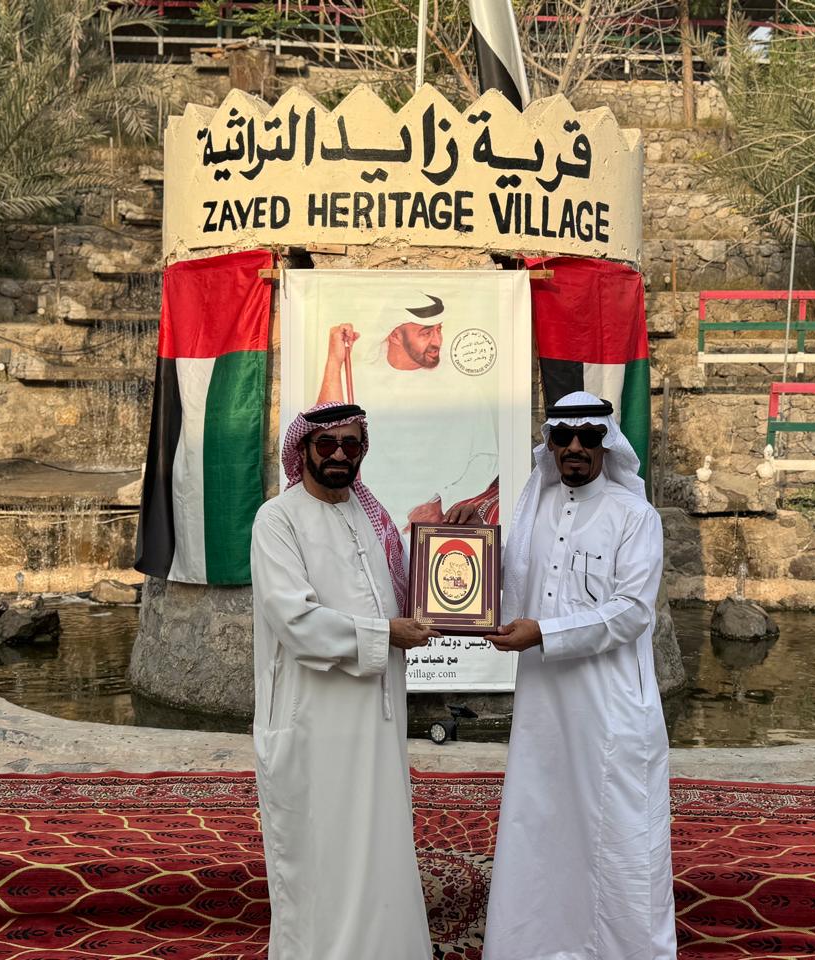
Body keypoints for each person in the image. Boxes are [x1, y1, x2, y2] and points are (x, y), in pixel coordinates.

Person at [482, 390, 677, 960]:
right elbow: (503, 584)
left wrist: (545, 633)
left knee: (615, 831)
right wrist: (462, 539)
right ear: (549, 444)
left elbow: (632, 612)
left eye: (588, 437)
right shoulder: (534, 509)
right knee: (541, 823)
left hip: (609, 707)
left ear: (606, 445)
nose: (574, 447)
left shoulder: (634, 516)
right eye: (562, 437)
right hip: (543, 704)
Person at [250, 401, 437, 960]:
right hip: (314, 724)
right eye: (326, 444)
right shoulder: (277, 520)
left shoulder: (369, 518)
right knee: (322, 856)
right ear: (303, 449)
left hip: (376, 723)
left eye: (350, 445)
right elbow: (297, 623)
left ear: (362, 451)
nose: (338, 455)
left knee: (381, 847)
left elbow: (402, 598)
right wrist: (386, 634)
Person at [314, 292, 499, 528]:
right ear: (394, 335)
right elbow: (321, 431)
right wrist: (334, 360)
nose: (437, 341)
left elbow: (485, 458)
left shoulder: (463, 388)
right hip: (364, 525)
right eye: (426, 332)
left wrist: (443, 503)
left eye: (439, 330)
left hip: (431, 530)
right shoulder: (359, 379)